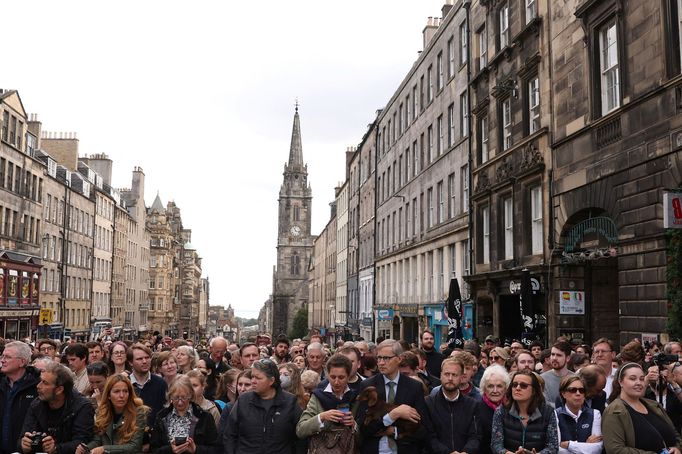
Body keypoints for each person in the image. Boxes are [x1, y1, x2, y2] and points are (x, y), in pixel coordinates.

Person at [356, 339, 430, 454]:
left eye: (386, 358)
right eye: (379, 358)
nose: (381, 363)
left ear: (399, 359)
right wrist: (392, 415)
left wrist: (395, 431)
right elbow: (363, 428)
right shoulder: (368, 385)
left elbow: (423, 428)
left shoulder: (414, 387)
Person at [224, 359, 303, 454]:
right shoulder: (243, 401)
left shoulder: (289, 402)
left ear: (271, 381)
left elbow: (300, 436)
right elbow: (230, 434)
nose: (253, 381)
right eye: (252, 377)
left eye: (258, 378)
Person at [602, 362, 682, 454]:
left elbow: (675, 434)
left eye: (642, 379)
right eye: (632, 379)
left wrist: (677, 448)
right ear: (620, 382)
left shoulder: (654, 405)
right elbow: (615, 449)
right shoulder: (614, 411)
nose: (638, 383)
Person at [20, 362, 94, 454]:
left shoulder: (82, 406)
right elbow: (24, 435)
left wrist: (56, 448)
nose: (38, 386)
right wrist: (24, 445)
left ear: (59, 390)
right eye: (40, 381)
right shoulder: (36, 405)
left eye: (45, 383)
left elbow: (83, 442)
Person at [75, 374, 149, 454]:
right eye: (116, 391)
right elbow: (98, 440)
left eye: (125, 391)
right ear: (109, 395)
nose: (121, 395)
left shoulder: (139, 412)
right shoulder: (102, 412)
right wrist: (86, 448)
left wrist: (104, 448)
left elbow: (134, 446)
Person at [296, 354, 357, 449]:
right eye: (333, 377)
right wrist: (322, 417)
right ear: (327, 375)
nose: (336, 382)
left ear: (348, 377)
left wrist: (354, 425)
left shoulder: (355, 397)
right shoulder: (318, 397)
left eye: (341, 377)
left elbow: (363, 437)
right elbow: (301, 430)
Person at [491, 370, 559, 454]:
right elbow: (496, 444)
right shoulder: (501, 411)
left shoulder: (547, 412)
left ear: (534, 391)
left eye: (523, 385)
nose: (517, 388)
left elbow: (553, 447)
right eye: (514, 385)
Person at [424, 357, 480, 454]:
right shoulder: (428, 403)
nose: (450, 378)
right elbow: (429, 437)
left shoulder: (472, 405)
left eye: (454, 375)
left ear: (461, 377)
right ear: (441, 375)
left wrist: (466, 452)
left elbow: (475, 436)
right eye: (447, 374)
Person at [150, 375, 218, 454]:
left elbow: (216, 449)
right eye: (176, 397)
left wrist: (196, 449)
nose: (180, 402)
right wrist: (170, 449)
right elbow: (153, 449)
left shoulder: (204, 417)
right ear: (170, 396)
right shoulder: (162, 417)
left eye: (184, 397)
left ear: (190, 395)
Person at [0, 341, 41, 454]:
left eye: (7, 357)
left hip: (24, 449)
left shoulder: (38, 386)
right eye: (2, 356)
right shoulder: (1, 383)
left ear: (22, 362)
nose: (2, 360)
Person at [555, 375, 603, 454]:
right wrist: (586, 446)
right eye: (573, 390)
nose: (578, 393)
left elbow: (597, 449)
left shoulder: (595, 414)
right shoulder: (555, 415)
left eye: (581, 390)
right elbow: (557, 450)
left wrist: (569, 445)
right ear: (563, 394)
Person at [129, 343, 167, 430]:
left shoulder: (160, 383)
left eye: (147, 358)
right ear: (131, 362)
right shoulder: (125, 384)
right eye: (139, 359)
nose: (144, 361)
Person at [477, 364, 511, 454]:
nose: (495, 391)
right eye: (490, 386)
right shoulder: (476, 409)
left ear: (506, 388)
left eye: (499, 386)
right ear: (484, 388)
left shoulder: (512, 408)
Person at [542, 341, 575, 408]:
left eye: (559, 355)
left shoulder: (575, 379)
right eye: (552, 354)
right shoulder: (542, 379)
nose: (554, 358)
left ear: (567, 358)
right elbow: (543, 403)